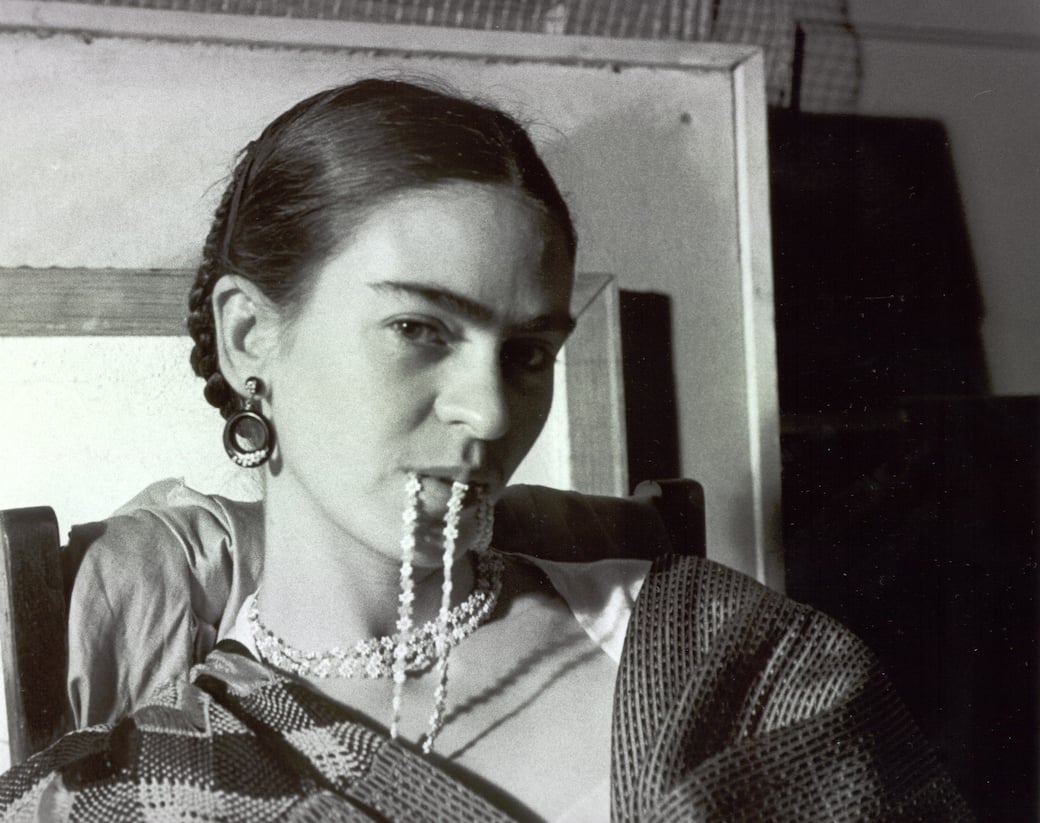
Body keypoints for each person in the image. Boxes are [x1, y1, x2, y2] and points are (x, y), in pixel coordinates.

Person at [0, 79, 972, 821]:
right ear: (251, 336)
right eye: (420, 328)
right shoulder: (134, 790)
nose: (490, 412)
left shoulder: (728, 663)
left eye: (529, 353)